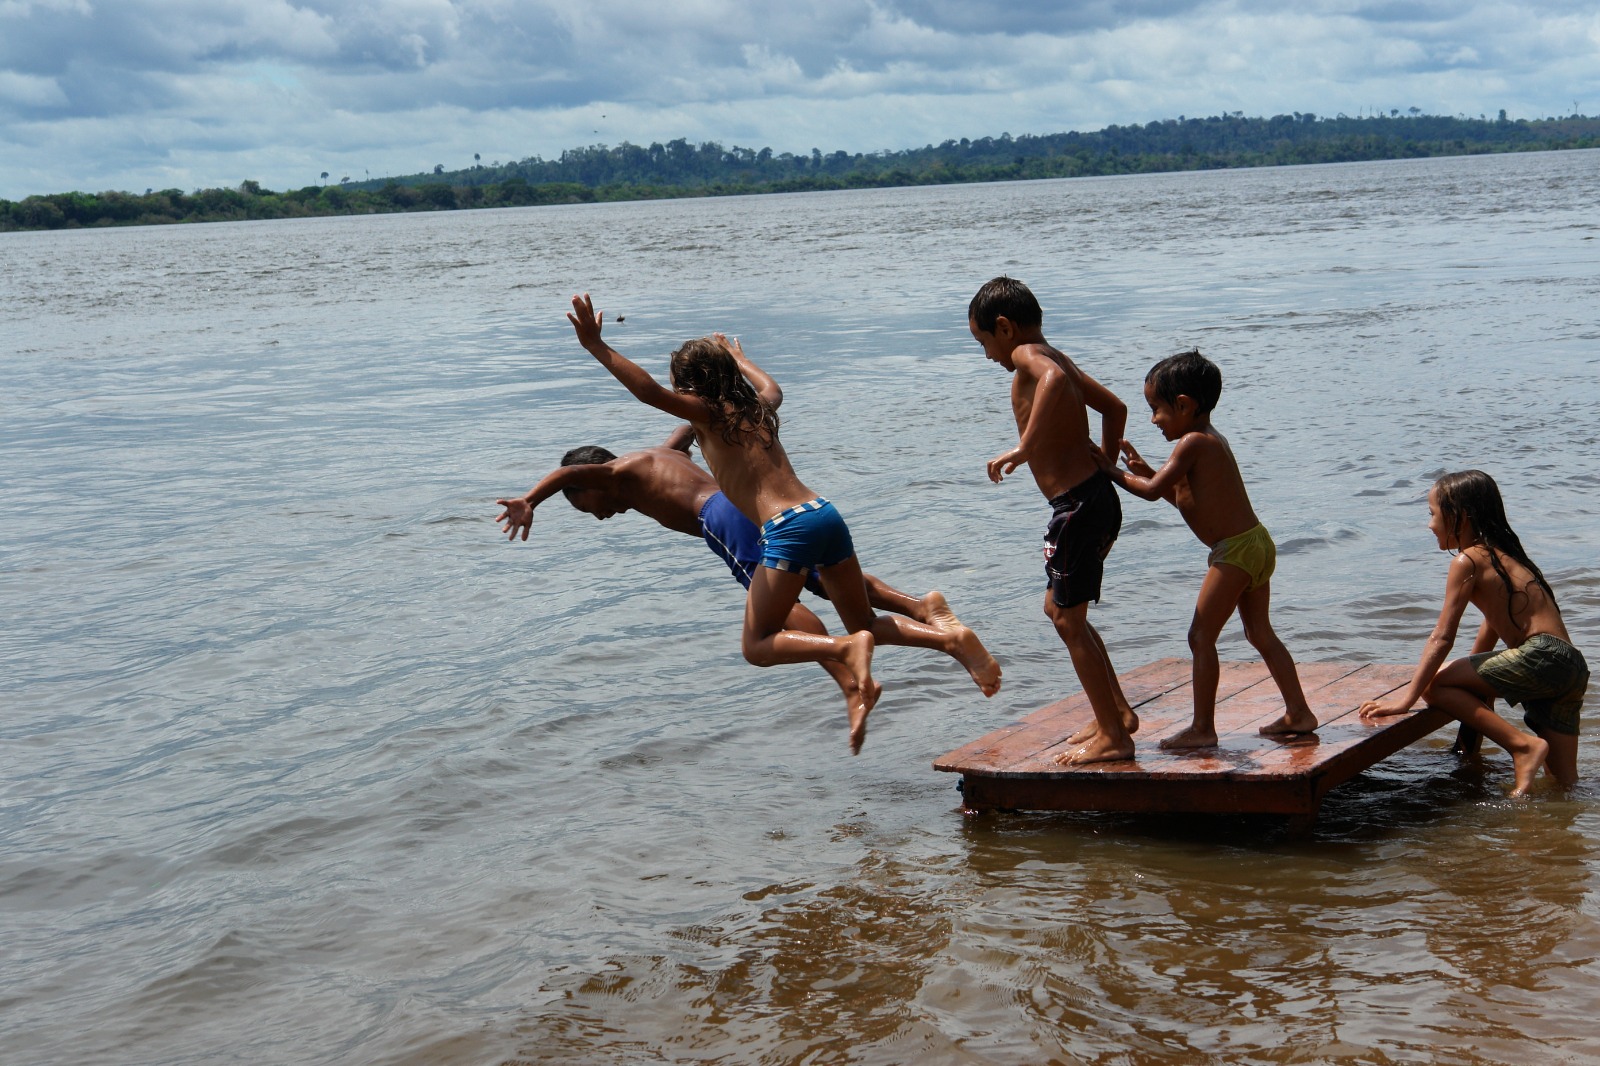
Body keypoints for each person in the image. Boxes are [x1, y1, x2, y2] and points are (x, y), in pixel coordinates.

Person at [561, 294, 1001, 752]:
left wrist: (597, 346)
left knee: (758, 644)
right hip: (824, 513)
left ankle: (844, 652)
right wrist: (741, 359)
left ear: (692, 390)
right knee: (866, 621)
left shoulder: (706, 416)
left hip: (786, 527)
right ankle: (950, 640)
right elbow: (773, 387)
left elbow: (648, 393)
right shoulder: (759, 409)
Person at [494, 425, 972, 722]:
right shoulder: (660, 457)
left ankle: (849, 675)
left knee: (776, 617)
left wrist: (529, 500)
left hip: (720, 521)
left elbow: (562, 478)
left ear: (590, 481)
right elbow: (684, 431)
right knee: (822, 578)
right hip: (745, 507)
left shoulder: (619, 473)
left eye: (587, 507)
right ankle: (919, 607)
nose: (599, 517)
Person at [1099, 349, 1319, 749]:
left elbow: (1149, 494)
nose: (1153, 420)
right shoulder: (1206, 440)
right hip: (1254, 544)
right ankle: (1299, 712)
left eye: (1157, 409)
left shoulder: (1192, 443)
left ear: (1184, 405)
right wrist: (1145, 471)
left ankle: (1203, 728)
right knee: (1259, 633)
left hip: (1234, 551)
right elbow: (1183, 498)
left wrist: (1108, 470)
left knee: (1200, 637)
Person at [970, 276, 1138, 765]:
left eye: (983, 342)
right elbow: (1115, 407)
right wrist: (1105, 465)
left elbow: (1053, 383)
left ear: (1004, 328)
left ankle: (1115, 736)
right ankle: (1118, 714)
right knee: (1062, 612)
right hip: (1093, 499)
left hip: (1077, 507)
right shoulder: (1057, 354)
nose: (987, 356)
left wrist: (1025, 447)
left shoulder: (1030, 357)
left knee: (1066, 615)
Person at [1359, 470, 1585, 795]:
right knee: (1564, 787)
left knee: (1435, 684)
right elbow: (1493, 625)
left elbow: (1442, 637)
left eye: (1432, 514)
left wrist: (1406, 698)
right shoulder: (1508, 557)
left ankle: (1521, 746)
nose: (1429, 524)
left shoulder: (1467, 560)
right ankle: (1555, 834)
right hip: (1570, 667)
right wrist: (1481, 685)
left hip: (1541, 656)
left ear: (1459, 517)